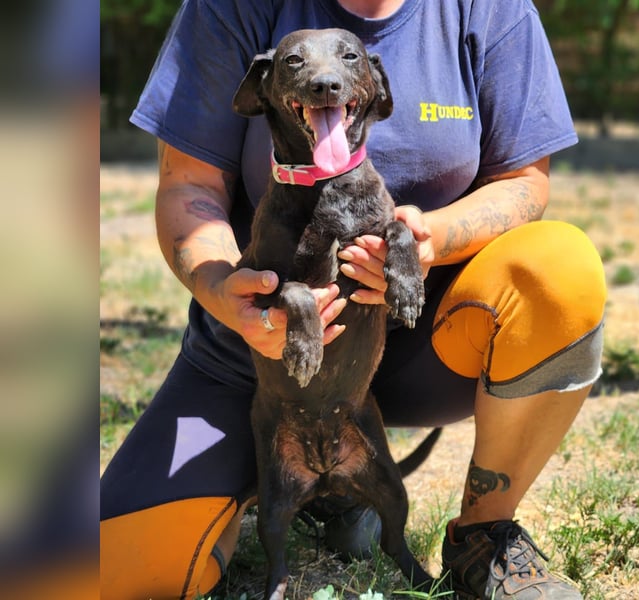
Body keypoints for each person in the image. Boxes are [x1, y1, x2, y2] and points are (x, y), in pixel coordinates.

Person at [100, 1, 607, 599]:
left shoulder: (488, 8)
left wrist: (430, 242)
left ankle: (484, 533)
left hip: (421, 334)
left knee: (560, 267)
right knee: (122, 572)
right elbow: (188, 184)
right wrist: (223, 291)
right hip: (260, 357)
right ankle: (313, 496)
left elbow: (525, 182)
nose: (324, 78)